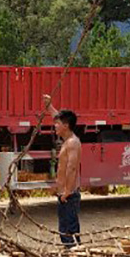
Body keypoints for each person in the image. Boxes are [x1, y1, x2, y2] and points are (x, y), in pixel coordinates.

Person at [44, 95, 82, 246]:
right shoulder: (68, 139)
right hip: (65, 194)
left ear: (65, 126)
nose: (55, 126)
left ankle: (74, 256)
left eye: (57, 124)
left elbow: (72, 168)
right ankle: (72, 254)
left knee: (69, 230)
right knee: (65, 229)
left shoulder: (72, 143)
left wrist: (67, 191)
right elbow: (58, 117)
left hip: (69, 194)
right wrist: (49, 106)